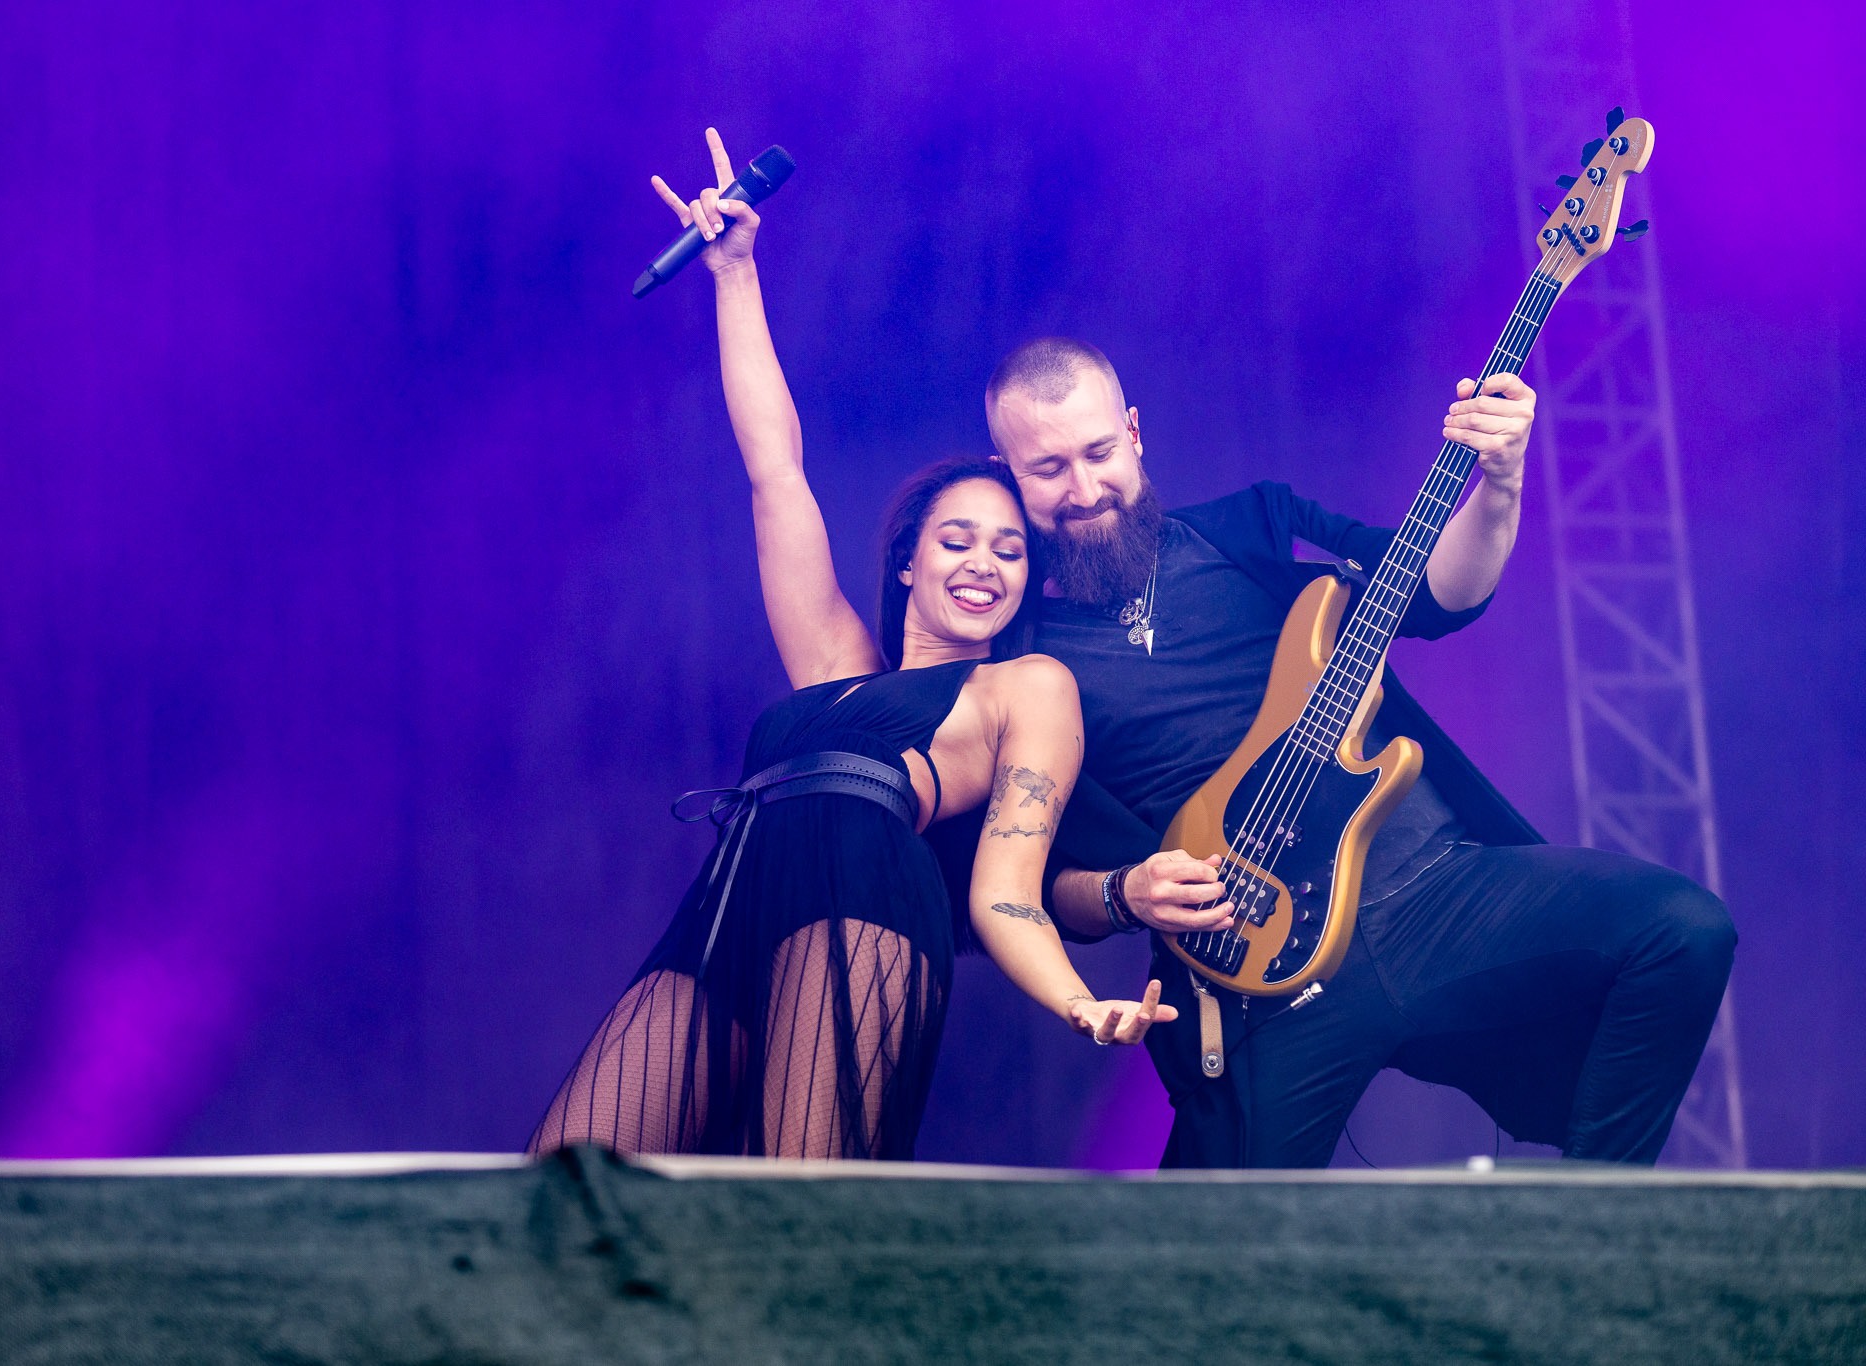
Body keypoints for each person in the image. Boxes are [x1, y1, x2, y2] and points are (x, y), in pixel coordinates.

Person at [528, 135, 1174, 1162]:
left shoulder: (1024, 687)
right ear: (908, 561)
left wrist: (1077, 1003)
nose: (984, 563)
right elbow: (773, 468)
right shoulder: (833, 667)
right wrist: (734, 273)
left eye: (1010, 550)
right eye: (956, 540)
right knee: (563, 1176)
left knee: (803, 1201)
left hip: (866, 909)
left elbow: (1004, 887)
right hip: (731, 903)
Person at [970, 335, 1736, 1167]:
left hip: (1430, 892)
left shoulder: (1254, 531)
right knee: (1215, 1238)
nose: (1085, 491)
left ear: (1134, 431)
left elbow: (1435, 592)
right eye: (1049, 470)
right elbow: (1045, 883)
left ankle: (1592, 1220)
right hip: (1257, 971)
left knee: (1683, 932)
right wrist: (1126, 892)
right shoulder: (1022, 658)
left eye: (1099, 454)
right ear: (1007, 471)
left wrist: (1501, 484)